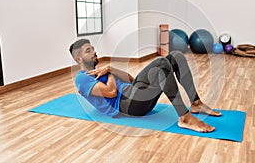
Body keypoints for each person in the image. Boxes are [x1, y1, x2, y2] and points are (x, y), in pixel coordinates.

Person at [69, 39, 221, 133]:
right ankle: (184, 118)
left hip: (135, 93)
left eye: (93, 48)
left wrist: (110, 69)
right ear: (78, 58)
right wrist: (109, 73)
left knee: (176, 56)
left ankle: (196, 103)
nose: (95, 52)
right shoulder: (81, 78)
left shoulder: (101, 70)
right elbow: (111, 92)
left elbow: (131, 79)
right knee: (161, 63)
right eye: (89, 51)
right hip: (127, 105)